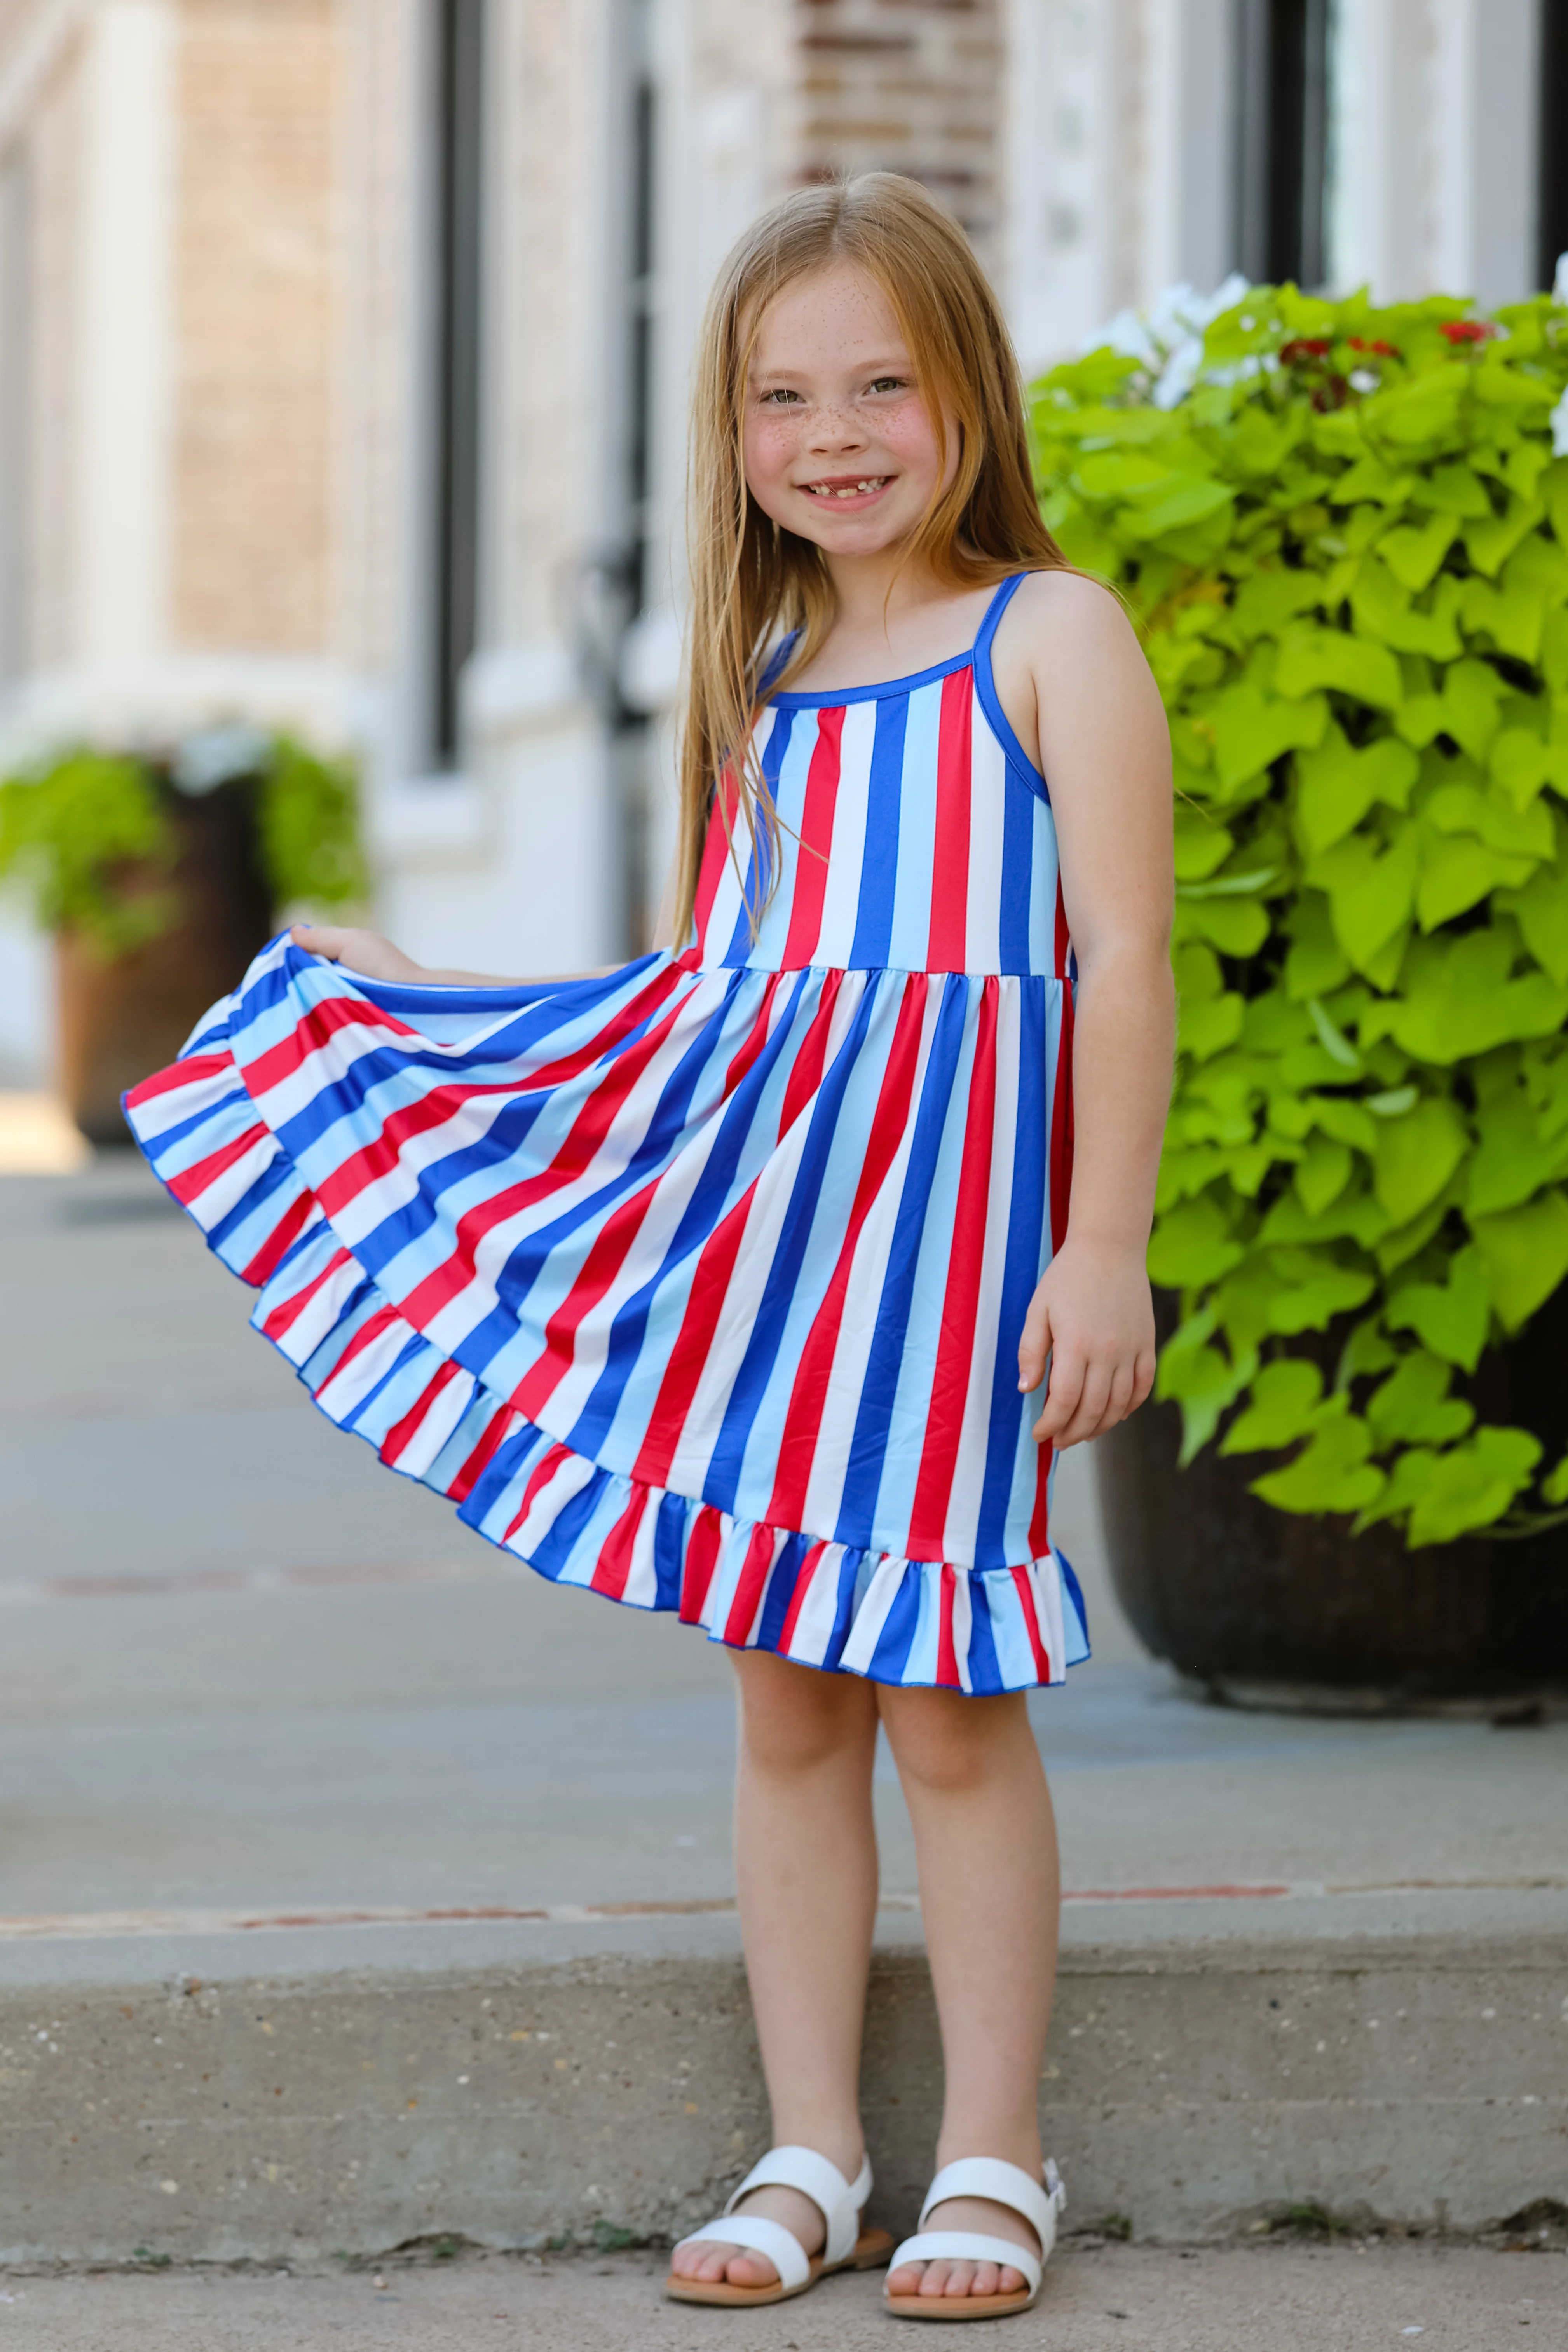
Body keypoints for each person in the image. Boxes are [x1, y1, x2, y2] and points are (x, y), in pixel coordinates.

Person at [124, 172, 1173, 2322]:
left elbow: (1130, 962)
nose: (838, 435)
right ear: (735, 434)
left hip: (960, 1268)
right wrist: (434, 1002)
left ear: (967, 389)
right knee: (787, 1701)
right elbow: (717, 1002)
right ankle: (813, 2141)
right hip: (775, 1256)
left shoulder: (1047, 642)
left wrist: (1105, 1247)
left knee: (952, 1709)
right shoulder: (764, 671)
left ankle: (998, 2155)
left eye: (884, 383)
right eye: (785, 398)